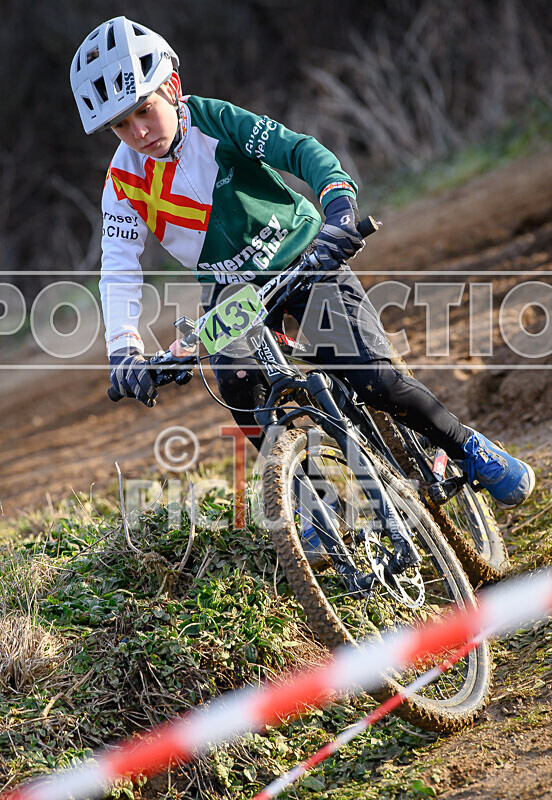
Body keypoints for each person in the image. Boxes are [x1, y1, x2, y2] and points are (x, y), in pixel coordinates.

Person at [71, 16, 535, 511]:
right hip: (232, 294)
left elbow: (299, 151)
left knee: (374, 377)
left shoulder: (216, 122)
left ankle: (466, 445)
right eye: (121, 124)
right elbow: (119, 264)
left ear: (172, 87)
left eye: (144, 110)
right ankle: (313, 503)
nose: (138, 132)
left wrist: (338, 205)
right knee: (238, 389)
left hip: (303, 256)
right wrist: (123, 350)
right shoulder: (123, 180)